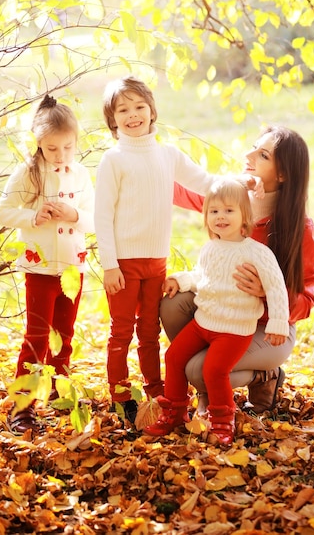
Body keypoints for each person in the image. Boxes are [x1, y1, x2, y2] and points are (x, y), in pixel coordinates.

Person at [161, 125, 314, 415]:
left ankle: (264, 376)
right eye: (253, 146)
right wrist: (138, 158)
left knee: (197, 369)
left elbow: (306, 304)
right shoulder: (230, 203)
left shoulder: (299, 229)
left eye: (262, 155)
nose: (248, 155)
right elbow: (178, 191)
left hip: (269, 328)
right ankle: (212, 383)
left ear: (283, 173)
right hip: (221, 317)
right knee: (172, 304)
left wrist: (267, 293)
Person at [94, 75, 221, 424]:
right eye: (123, 109)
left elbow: (206, 182)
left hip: (156, 262)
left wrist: (242, 183)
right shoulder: (113, 160)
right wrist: (109, 265)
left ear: (152, 111)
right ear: (112, 119)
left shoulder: (168, 155)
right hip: (122, 263)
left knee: (149, 331)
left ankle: (155, 392)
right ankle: (120, 397)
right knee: (121, 332)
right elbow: (102, 215)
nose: (133, 115)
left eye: (139, 106)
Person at [143, 178, 289, 445]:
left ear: (245, 215)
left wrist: (278, 322)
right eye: (214, 211)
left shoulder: (257, 252)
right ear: (206, 216)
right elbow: (203, 277)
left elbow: (276, 287)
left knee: (214, 369)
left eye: (229, 211)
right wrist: (181, 280)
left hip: (234, 330)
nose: (220, 217)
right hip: (204, 323)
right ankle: (174, 412)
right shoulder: (211, 248)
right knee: (174, 357)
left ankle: (222, 420)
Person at [0, 94, 95, 434]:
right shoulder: (29, 173)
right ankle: (23, 405)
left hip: (72, 269)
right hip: (40, 271)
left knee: (64, 335)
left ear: (75, 142)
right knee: (37, 338)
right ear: (39, 144)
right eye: (52, 149)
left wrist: (76, 214)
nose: (60, 155)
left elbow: (95, 219)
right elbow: (1, 212)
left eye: (67, 147)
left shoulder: (80, 175)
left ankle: (58, 390)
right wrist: (34, 215)